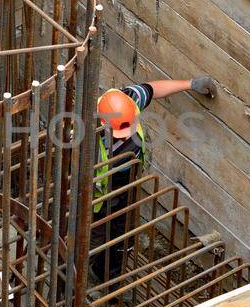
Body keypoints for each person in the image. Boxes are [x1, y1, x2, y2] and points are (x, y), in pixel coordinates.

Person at [91, 77, 217, 284]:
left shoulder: (127, 102)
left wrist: (190, 83)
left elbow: (154, 89)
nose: (127, 135)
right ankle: (74, 287)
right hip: (96, 201)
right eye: (120, 132)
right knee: (91, 241)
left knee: (123, 237)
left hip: (126, 185)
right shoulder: (87, 139)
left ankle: (107, 279)